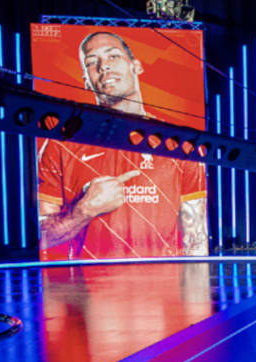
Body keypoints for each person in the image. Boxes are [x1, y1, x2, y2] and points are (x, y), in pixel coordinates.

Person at [37, 31, 207, 259]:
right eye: (92, 62)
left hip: (161, 281)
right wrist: (85, 209)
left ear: (136, 66)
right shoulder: (61, 144)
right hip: (85, 281)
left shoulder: (180, 144)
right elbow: (42, 237)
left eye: (113, 56)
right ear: (86, 80)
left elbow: (196, 239)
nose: (104, 66)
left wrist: (199, 282)